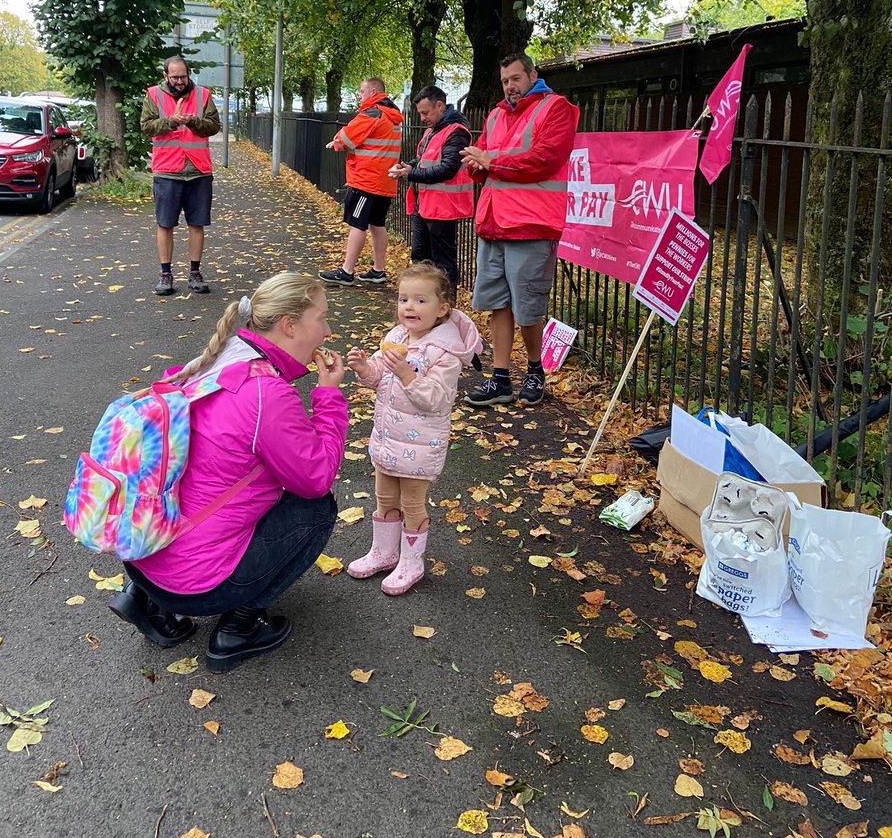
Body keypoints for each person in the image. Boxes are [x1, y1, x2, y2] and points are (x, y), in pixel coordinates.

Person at [108, 272, 348, 673]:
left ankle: (145, 598)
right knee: (316, 508)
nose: (327, 330)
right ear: (290, 325)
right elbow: (316, 476)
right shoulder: (265, 392)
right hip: (195, 585)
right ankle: (240, 628)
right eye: (322, 319)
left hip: (142, 548)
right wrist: (328, 396)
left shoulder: (223, 357)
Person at [345, 262, 481, 595]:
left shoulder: (444, 354)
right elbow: (379, 376)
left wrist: (407, 374)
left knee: (412, 504)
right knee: (384, 495)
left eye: (421, 301)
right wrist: (366, 367)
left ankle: (411, 562)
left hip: (421, 444)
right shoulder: (395, 337)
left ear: (442, 308)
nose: (410, 307)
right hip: (388, 437)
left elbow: (437, 399)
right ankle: (384, 552)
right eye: (404, 299)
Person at [461, 53, 579, 407]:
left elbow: (546, 158)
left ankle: (534, 370)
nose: (510, 87)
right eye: (505, 81)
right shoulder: (496, 114)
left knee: (528, 306)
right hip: (494, 222)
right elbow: (483, 159)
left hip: (531, 223)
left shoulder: (555, 108)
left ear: (532, 75)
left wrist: (490, 161)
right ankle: (500, 379)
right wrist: (475, 164)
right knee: (498, 302)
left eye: (515, 78)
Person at [141, 56, 221, 297]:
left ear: (189, 74)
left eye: (183, 77)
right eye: (174, 77)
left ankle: (195, 273)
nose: (179, 81)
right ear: (166, 76)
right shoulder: (153, 95)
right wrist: (171, 121)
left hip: (198, 170)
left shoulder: (203, 95)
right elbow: (146, 127)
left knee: (197, 223)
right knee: (165, 224)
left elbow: (214, 126)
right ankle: (165, 275)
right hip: (167, 169)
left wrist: (194, 121)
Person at [388, 86, 473, 292]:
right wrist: (407, 165)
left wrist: (410, 173)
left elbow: (447, 169)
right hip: (425, 204)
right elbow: (422, 159)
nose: (422, 118)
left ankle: (446, 307)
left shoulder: (456, 132)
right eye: (420, 113)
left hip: (443, 208)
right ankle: (421, 302)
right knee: (420, 257)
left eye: (425, 113)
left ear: (440, 106)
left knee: (443, 263)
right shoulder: (431, 132)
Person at [319, 77, 403, 286]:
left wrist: (337, 142)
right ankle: (378, 270)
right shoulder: (392, 116)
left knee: (358, 224)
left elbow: (348, 136)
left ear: (373, 91)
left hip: (367, 180)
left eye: (362, 90)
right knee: (377, 224)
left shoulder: (372, 113)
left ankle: (347, 271)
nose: (359, 94)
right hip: (385, 180)